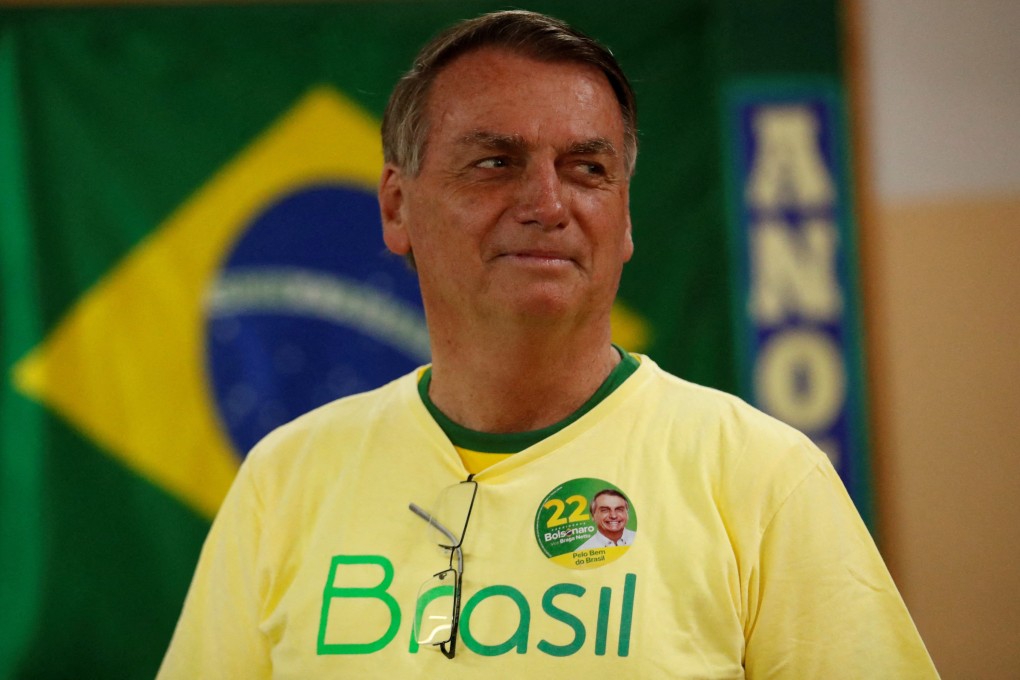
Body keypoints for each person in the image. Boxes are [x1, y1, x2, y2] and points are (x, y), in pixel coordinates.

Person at [158, 10, 939, 678]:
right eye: (495, 163)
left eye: (587, 168)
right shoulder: (285, 482)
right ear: (397, 207)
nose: (546, 202)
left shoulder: (763, 477)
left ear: (625, 218)